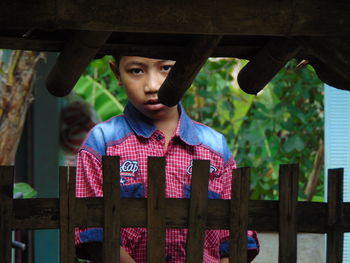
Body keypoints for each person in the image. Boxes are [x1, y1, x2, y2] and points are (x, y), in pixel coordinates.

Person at [75, 56, 259, 262]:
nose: (153, 86)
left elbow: (235, 237)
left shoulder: (214, 147)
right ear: (117, 72)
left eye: (166, 68)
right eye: (136, 70)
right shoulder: (102, 142)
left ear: (187, 70)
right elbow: (94, 233)